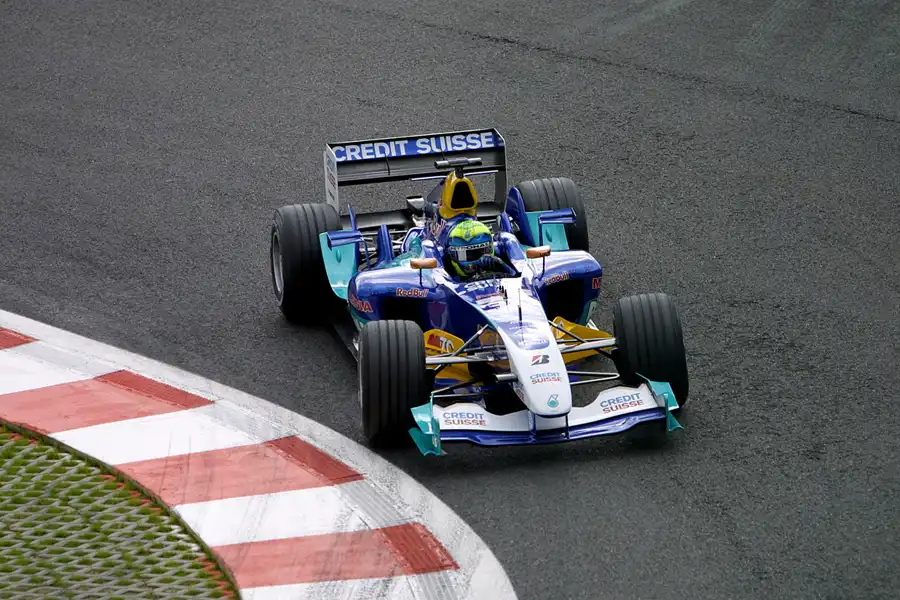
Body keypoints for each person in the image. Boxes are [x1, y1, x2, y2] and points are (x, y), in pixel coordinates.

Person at [444, 219, 517, 280]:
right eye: (468, 255)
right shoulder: (446, 277)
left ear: (491, 248)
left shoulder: (497, 259)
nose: (478, 261)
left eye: (480, 252)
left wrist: (503, 267)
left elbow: (522, 280)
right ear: (452, 255)